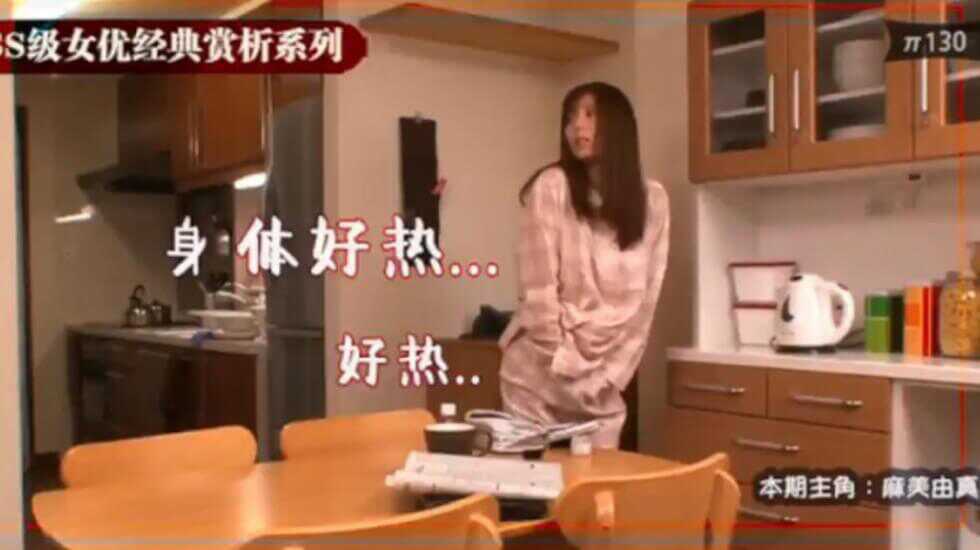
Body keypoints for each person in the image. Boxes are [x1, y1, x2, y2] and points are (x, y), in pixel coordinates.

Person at [498, 81, 671, 449]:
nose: (577, 125)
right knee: (537, 483)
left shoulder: (653, 201)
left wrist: (611, 377)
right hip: (539, 377)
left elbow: (647, 302)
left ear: (618, 126)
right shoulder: (552, 187)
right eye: (570, 117)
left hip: (602, 388)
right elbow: (538, 294)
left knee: (599, 482)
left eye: (590, 114)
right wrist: (567, 366)